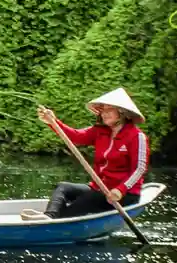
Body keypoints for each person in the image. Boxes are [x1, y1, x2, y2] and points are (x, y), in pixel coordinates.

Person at [30, 88, 149, 220]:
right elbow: (74, 136)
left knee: (88, 199)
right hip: (100, 189)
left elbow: (139, 169)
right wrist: (53, 122)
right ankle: (49, 216)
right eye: (103, 110)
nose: (104, 113)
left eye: (109, 110)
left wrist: (120, 190)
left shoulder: (137, 136)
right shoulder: (99, 131)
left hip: (124, 194)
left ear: (122, 113)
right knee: (63, 187)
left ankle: (57, 221)